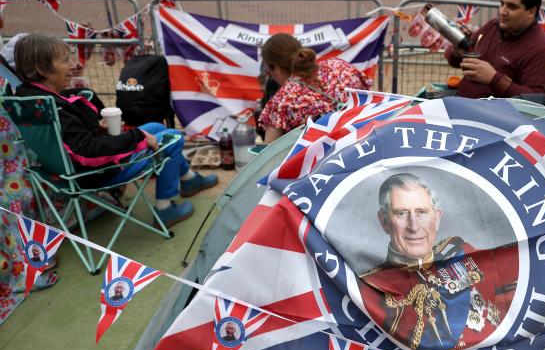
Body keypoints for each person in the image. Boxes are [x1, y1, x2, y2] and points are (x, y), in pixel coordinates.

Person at [13, 34, 218, 228]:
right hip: (96, 173)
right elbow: (86, 151)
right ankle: (165, 209)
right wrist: (136, 137)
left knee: (156, 128)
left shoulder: (30, 101)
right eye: (65, 60)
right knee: (172, 139)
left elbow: (71, 142)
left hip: (65, 171)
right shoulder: (54, 108)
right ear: (42, 69)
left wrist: (97, 128)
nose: (74, 65)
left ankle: (189, 180)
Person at [359, 173, 518, 350]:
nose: (414, 226)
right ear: (384, 221)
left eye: (421, 213)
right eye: (401, 213)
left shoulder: (462, 253)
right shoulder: (369, 287)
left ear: (437, 218)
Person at [444, 0, 545, 99]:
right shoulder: (492, 27)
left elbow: (538, 103)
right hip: (460, 104)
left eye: (512, 7)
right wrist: (457, 51)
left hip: (491, 116)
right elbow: (455, 62)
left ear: (531, 12)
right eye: (502, 4)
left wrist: (494, 79)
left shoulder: (542, 50)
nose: (503, 11)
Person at [257, 33, 372, 144]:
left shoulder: (281, 101)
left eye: (269, 71)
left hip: (328, 162)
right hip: (367, 144)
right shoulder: (339, 66)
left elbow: (270, 155)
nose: (270, 76)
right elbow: (368, 96)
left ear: (277, 68)